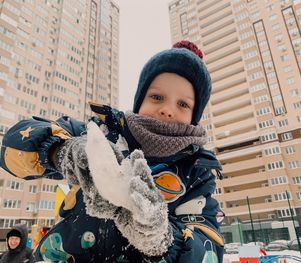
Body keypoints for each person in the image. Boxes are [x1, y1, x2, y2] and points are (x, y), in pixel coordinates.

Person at [0, 40, 224, 262]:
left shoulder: (197, 171)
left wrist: (160, 238)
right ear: (140, 99)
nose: (167, 110)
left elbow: (209, 250)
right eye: (157, 97)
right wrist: (62, 152)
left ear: (194, 115)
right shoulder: (101, 133)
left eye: (183, 104)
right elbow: (13, 148)